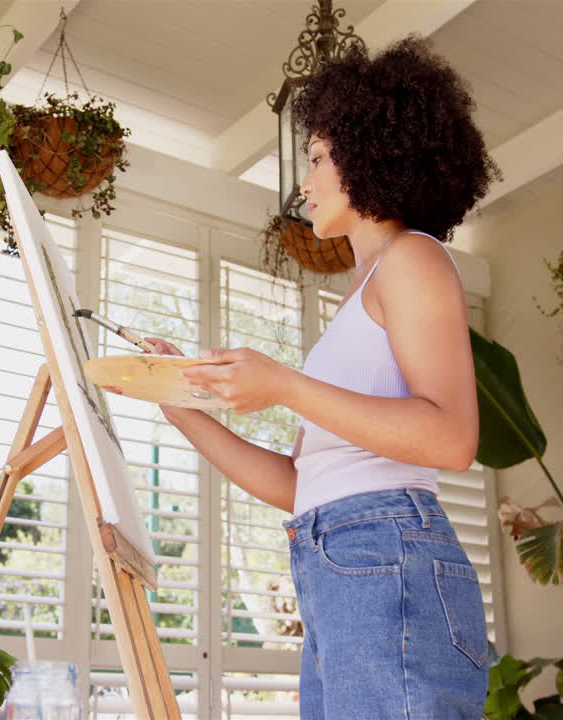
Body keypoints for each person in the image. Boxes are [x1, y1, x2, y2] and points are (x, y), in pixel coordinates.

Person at [143, 36, 499, 719]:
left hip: (385, 551)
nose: (302, 183)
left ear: (371, 152)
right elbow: (300, 485)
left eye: (315, 158)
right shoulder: (359, 296)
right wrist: (181, 405)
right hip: (340, 560)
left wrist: (282, 385)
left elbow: (453, 438)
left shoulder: (415, 260)